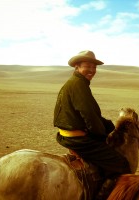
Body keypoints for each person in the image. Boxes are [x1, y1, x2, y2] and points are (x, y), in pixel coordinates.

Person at [54, 50, 131, 199]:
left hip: (68, 134)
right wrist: (103, 135)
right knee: (121, 165)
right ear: (77, 66)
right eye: (87, 66)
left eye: (94, 67)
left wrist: (110, 126)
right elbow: (89, 115)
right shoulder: (78, 85)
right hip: (79, 139)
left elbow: (92, 114)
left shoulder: (76, 83)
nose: (91, 70)